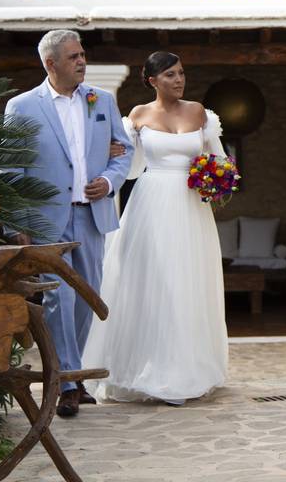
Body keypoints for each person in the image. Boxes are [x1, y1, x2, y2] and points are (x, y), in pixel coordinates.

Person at [82, 51, 229, 405]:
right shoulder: (138, 116)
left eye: (181, 73)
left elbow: (220, 160)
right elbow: (130, 170)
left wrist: (217, 179)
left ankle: (186, 370)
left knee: (187, 283)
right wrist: (116, 150)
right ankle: (145, 370)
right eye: (170, 75)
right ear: (152, 81)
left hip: (191, 207)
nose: (178, 80)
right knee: (151, 282)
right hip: (151, 202)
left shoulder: (200, 113)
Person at [5, 29, 134, 418]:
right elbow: (11, 169)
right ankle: (69, 383)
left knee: (87, 296)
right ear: (51, 64)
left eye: (83, 54)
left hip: (92, 217)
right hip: (47, 220)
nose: (82, 61)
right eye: (74, 56)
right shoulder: (22, 106)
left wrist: (110, 181)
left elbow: (123, 150)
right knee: (59, 298)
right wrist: (15, 225)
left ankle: (69, 376)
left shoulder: (102, 99)